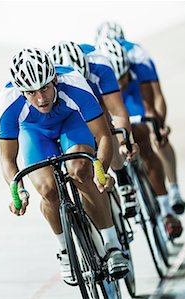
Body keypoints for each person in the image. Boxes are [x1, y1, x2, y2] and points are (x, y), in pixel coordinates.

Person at [0, 48, 129, 284]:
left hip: (72, 122)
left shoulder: (75, 84)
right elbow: (8, 160)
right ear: (20, 91)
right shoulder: (8, 101)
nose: (41, 99)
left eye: (45, 88)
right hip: (35, 133)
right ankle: (65, 251)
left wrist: (101, 171)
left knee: (80, 171)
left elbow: (105, 136)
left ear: (55, 79)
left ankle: (112, 245)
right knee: (48, 191)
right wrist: (16, 189)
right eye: (31, 92)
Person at [93, 38, 183, 239]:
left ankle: (166, 209)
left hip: (133, 96)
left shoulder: (139, 60)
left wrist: (158, 127)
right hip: (106, 96)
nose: (120, 83)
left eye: (123, 76)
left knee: (144, 138)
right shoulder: (98, 72)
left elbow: (153, 102)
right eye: (116, 79)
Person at [49, 40, 140, 217]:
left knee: (104, 123)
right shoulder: (50, 77)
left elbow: (118, 111)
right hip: (69, 107)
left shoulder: (100, 65)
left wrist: (124, 141)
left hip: (98, 99)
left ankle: (122, 177)